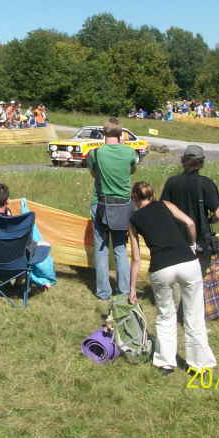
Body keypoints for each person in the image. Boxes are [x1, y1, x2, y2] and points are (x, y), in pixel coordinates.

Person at [127, 181, 216, 375]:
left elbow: (135, 258)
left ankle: (165, 363)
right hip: (187, 262)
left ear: (134, 198)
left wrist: (132, 288)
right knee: (194, 315)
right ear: (152, 195)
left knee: (166, 315)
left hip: (161, 268)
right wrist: (192, 244)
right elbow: (190, 223)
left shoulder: (133, 220)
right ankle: (200, 365)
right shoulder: (166, 205)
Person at [88, 118, 138, 301]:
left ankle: (103, 292)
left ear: (103, 134)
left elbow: (94, 174)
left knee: (101, 249)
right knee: (120, 248)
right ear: (121, 134)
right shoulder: (130, 152)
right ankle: (124, 289)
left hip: (100, 203)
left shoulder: (96, 153)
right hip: (123, 205)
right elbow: (132, 171)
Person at [160, 145, 219, 273]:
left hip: (176, 238)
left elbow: (163, 208)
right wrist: (209, 220)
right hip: (200, 240)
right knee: (198, 278)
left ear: (183, 160)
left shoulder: (171, 182)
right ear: (201, 163)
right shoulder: (206, 183)